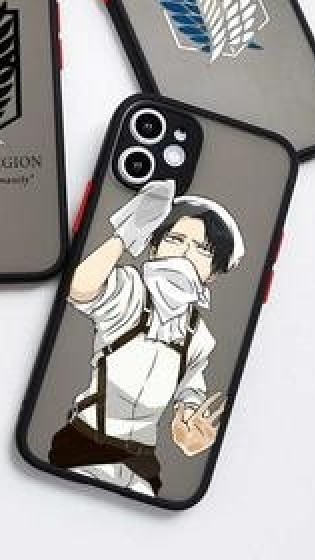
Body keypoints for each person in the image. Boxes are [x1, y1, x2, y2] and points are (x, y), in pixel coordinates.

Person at [49, 179, 245, 497]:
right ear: (153, 247)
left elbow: (190, 389)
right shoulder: (130, 290)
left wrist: (188, 425)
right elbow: (80, 287)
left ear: (214, 272)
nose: (185, 253)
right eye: (175, 239)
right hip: (85, 443)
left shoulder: (199, 336)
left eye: (203, 249)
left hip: (141, 462)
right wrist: (126, 234)